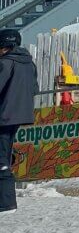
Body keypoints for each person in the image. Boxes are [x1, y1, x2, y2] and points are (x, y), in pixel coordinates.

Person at [0, 28, 39, 212]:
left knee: (1, 161)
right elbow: (34, 89)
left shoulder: (5, 64)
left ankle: (6, 204)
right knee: (4, 156)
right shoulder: (29, 64)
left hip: (3, 116)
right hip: (18, 116)